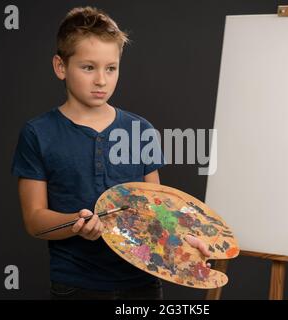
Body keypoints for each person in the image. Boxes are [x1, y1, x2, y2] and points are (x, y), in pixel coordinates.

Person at [11, 6, 209, 300]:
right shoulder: (38, 133)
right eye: (88, 67)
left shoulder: (141, 130)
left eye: (111, 68)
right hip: (76, 285)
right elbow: (34, 220)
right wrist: (75, 225)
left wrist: (185, 239)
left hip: (143, 280)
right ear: (60, 66)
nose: (101, 80)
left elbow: (157, 209)